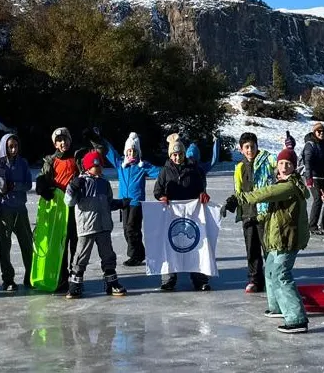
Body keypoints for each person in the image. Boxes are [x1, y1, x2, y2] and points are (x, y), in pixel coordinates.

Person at [222, 148, 310, 334]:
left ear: (294, 167)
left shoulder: (290, 186)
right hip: (277, 237)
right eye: (281, 163)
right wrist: (258, 219)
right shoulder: (282, 184)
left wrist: (239, 198)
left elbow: (265, 193)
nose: (284, 167)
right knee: (270, 272)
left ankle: (297, 318)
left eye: (288, 164)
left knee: (280, 275)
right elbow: (277, 214)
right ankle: (277, 307)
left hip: (287, 239)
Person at [63, 151, 130, 299]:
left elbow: (108, 203)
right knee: (81, 257)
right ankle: (75, 285)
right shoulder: (80, 182)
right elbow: (69, 202)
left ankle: (111, 283)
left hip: (104, 226)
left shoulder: (104, 183)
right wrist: (72, 187)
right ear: (87, 167)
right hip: (87, 227)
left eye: (100, 166)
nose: (99, 169)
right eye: (95, 166)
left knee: (108, 256)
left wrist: (119, 203)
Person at [154, 133, 212, 291]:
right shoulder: (165, 171)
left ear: (184, 153)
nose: (177, 157)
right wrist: (162, 197)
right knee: (170, 245)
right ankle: (169, 278)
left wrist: (202, 194)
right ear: (170, 155)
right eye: (174, 154)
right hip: (172, 214)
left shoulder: (194, 169)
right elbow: (157, 190)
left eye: (180, 154)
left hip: (192, 213)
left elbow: (201, 187)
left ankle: (199, 278)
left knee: (196, 245)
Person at [96, 131, 160, 267]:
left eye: (134, 152)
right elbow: (109, 151)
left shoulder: (143, 166)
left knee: (132, 228)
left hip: (136, 202)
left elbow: (161, 173)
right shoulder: (121, 164)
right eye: (129, 151)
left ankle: (135, 256)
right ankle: (139, 253)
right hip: (123, 202)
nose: (132, 154)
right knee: (127, 229)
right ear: (126, 151)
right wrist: (99, 138)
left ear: (138, 152)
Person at [36, 127, 81, 292]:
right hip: (58, 210)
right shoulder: (51, 160)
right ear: (55, 143)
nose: (63, 143)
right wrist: (42, 186)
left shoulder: (76, 158)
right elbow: (43, 176)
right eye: (59, 140)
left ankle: (75, 277)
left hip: (75, 207)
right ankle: (61, 277)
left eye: (66, 139)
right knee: (59, 243)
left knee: (75, 243)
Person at [233, 132, 277, 293]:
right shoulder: (239, 167)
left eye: (252, 146)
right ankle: (254, 279)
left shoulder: (267, 160)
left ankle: (272, 277)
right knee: (251, 248)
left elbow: (279, 163)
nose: (250, 150)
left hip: (264, 212)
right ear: (241, 149)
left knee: (268, 247)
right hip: (247, 213)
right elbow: (239, 190)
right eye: (247, 147)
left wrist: (289, 150)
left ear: (257, 147)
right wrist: (235, 203)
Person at [0, 134, 33, 291]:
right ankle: (8, 279)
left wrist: (14, 185)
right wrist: (6, 182)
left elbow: (29, 184)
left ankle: (30, 276)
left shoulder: (23, 163)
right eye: (10, 146)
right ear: (5, 147)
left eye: (16, 146)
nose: (14, 149)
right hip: (4, 209)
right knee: (5, 245)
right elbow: (0, 188)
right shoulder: (0, 165)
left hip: (20, 209)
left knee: (27, 243)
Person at [302, 122, 324, 235]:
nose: (321, 133)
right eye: (319, 131)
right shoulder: (310, 145)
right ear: (314, 132)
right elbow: (307, 163)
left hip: (323, 177)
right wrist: (309, 178)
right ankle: (312, 226)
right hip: (314, 177)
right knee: (318, 199)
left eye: (323, 131)